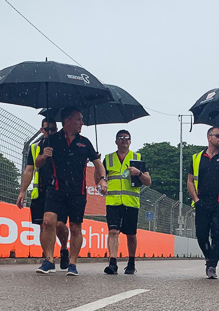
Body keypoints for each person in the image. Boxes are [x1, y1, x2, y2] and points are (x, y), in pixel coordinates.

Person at [36, 107, 106, 276]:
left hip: (77, 191)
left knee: (75, 227)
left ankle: (73, 263)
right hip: (56, 188)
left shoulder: (85, 142)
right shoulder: (51, 140)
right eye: (79, 119)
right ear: (67, 121)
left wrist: (103, 179)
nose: (82, 123)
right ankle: (49, 260)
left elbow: (98, 163)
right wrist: (44, 155)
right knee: (48, 221)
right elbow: (37, 164)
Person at [18, 118, 70, 273]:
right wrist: (22, 191)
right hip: (40, 191)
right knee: (44, 224)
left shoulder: (63, 145)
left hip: (59, 191)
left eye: (54, 130)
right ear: (42, 130)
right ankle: (48, 259)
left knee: (59, 225)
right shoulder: (35, 148)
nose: (52, 132)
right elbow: (29, 170)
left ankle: (64, 248)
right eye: (49, 130)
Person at [187, 126, 219, 279]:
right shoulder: (197, 158)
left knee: (217, 235)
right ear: (209, 138)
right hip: (202, 202)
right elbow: (190, 181)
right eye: (218, 136)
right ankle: (209, 257)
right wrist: (196, 199)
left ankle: (212, 266)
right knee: (201, 235)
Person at [103, 129, 151, 275]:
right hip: (113, 201)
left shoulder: (137, 158)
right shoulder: (108, 158)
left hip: (131, 202)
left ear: (130, 141)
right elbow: (99, 177)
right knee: (113, 231)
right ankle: (112, 263)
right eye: (120, 138)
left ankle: (131, 262)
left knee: (130, 234)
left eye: (126, 138)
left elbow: (148, 182)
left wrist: (139, 173)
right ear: (116, 141)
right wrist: (100, 176)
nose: (124, 140)